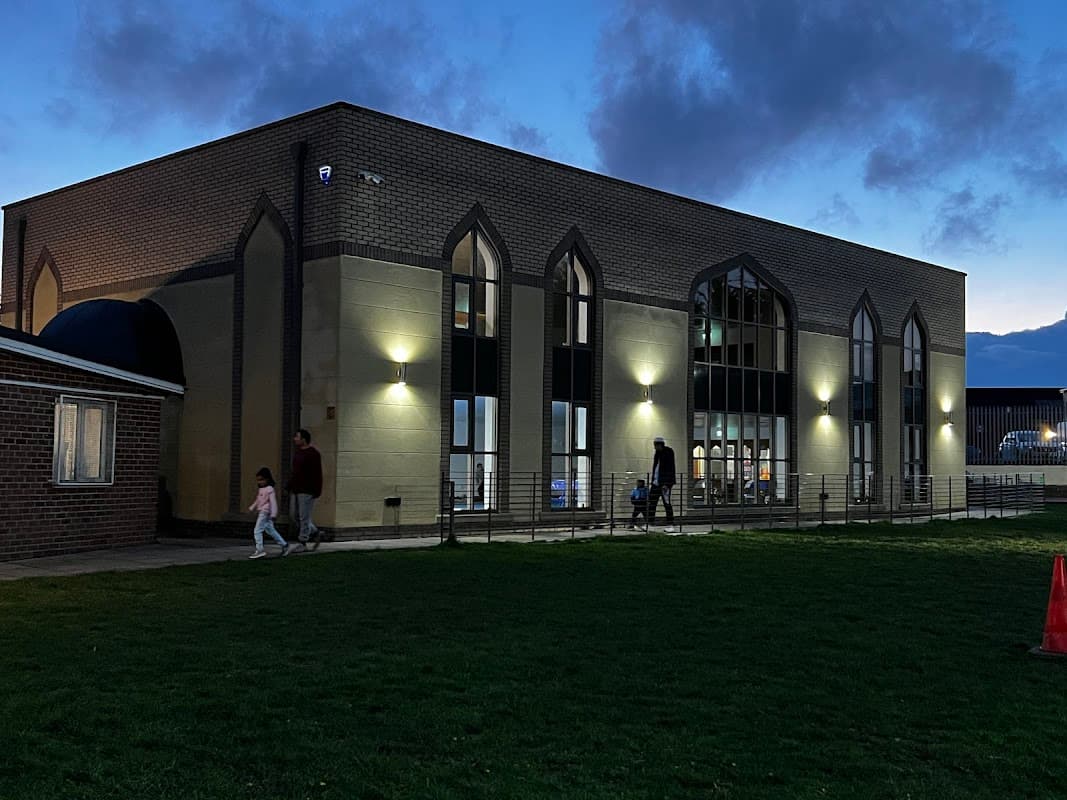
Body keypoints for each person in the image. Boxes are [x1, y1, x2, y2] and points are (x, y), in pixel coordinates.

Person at [288, 428, 323, 552]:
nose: (294, 439)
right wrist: (290, 485)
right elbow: (295, 472)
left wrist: (317, 490)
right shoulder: (298, 453)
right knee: (295, 516)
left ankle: (302, 541)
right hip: (296, 488)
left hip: (307, 490)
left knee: (304, 516)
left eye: (297, 437)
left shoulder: (313, 454)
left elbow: (317, 473)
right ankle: (315, 532)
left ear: (304, 439)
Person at [248, 467, 288, 559]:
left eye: (261, 480)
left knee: (257, 530)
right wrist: (252, 507)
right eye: (258, 480)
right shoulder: (261, 489)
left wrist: (274, 514)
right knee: (270, 530)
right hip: (263, 511)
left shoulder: (269, 489)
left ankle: (260, 550)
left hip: (265, 512)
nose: (259, 482)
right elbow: (258, 500)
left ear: (267, 479)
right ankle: (284, 545)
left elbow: (273, 502)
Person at [649, 436, 677, 532]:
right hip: (656, 482)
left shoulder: (668, 453)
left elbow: (670, 469)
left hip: (664, 484)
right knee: (652, 503)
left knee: (667, 504)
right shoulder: (658, 454)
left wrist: (667, 483)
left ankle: (670, 524)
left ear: (659, 445)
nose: (654, 447)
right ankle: (650, 522)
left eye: (655, 445)